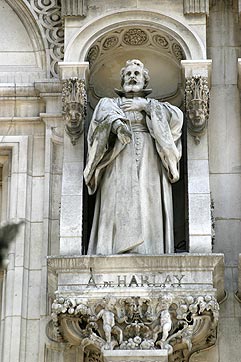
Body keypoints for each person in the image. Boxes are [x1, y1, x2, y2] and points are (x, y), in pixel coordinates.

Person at [84, 59, 183, 255]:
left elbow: (176, 118)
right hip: (117, 159)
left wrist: (145, 106)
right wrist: (118, 125)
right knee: (115, 202)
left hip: (150, 160)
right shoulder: (110, 103)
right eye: (128, 74)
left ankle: (149, 248)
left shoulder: (155, 105)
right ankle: (111, 248)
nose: (132, 77)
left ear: (145, 81)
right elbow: (102, 118)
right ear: (121, 81)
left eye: (136, 74)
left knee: (147, 201)